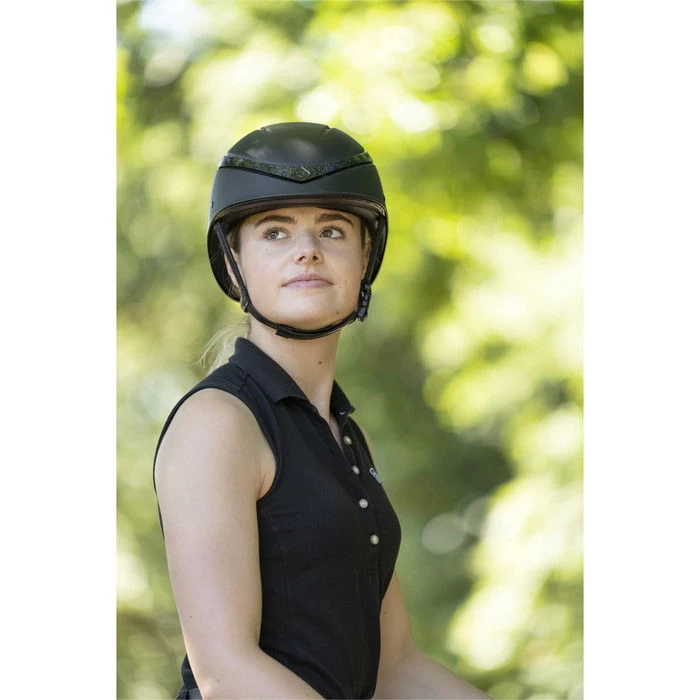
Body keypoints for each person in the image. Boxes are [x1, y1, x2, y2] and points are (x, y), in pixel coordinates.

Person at [152, 122, 491, 700]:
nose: (307, 249)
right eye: (275, 232)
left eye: (332, 230)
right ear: (233, 264)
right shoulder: (218, 422)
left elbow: (395, 666)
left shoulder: (348, 436)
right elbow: (226, 672)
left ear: (365, 258)